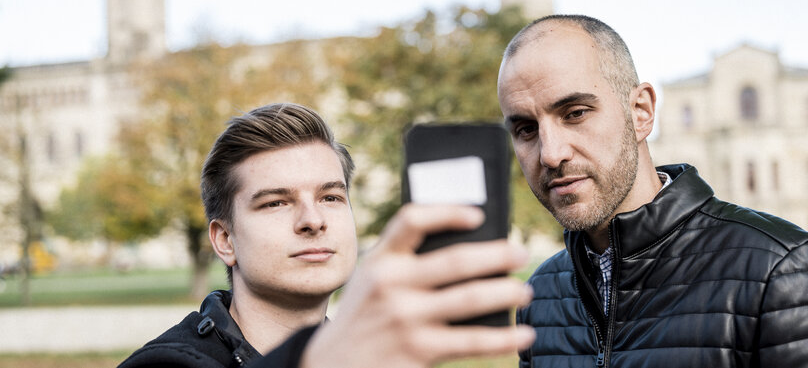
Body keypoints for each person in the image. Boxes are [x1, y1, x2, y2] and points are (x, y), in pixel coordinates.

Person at [497, 14, 808, 367]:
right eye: (525, 129)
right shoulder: (540, 297)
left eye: (576, 113)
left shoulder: (786, 272)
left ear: (641, 112)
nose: (551, 154)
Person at [120, 102, 534, 368]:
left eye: (331, 197)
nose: (312, 219)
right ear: (224, 240)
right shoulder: (167, 362)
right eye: (276, 203)